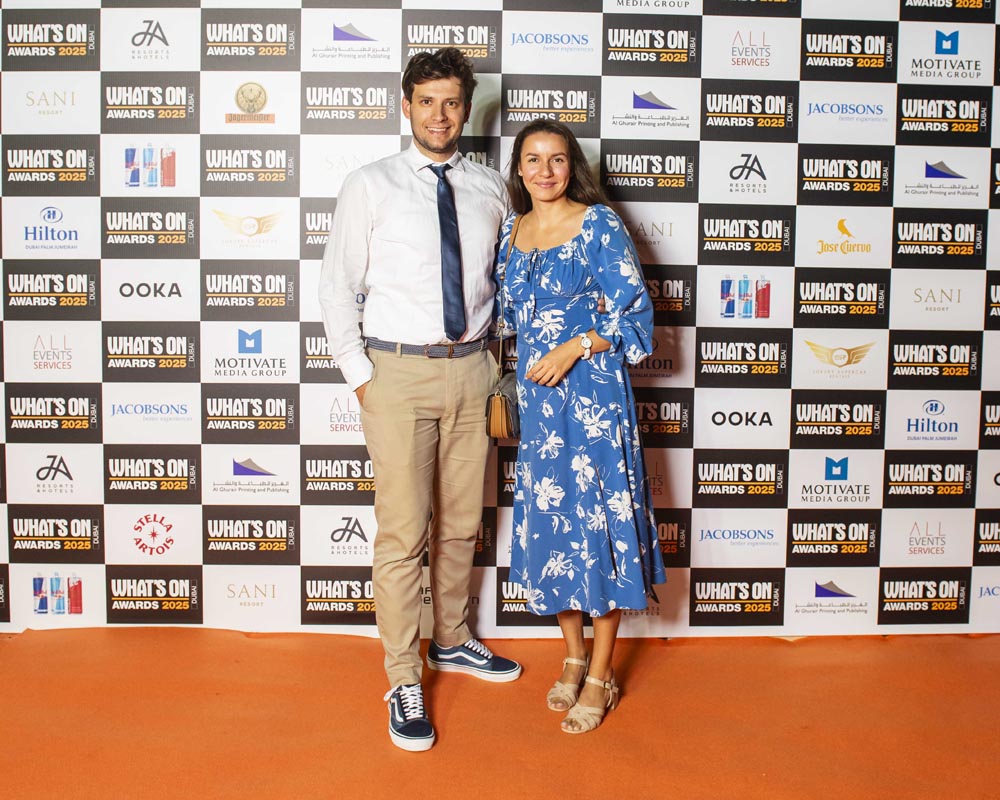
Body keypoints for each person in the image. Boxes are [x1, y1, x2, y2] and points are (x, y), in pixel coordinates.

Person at [318, 47, 521, 753]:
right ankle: (404, 675)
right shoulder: (369, 184)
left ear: (467, 108)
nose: (440, 115)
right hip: (397, 374)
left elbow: (507, 282)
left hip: (473, 371)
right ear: (406, 106)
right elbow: (336, 286)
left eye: (452, 102)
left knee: (461, 524)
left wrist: (502, 364)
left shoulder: (491, 187)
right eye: (427, 102)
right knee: (404, 534)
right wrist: (361, 376)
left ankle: (453, 639)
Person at [496, 120, 666, 734]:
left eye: (557, 159)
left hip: (593, 398)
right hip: (541, 408)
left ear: (573, 167)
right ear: (518, 169)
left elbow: (636, 315)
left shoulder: (599, 225)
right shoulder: (512, 232)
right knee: (554, 529)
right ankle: (571, 656)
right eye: (533, 159)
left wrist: (574, 346)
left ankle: (600, 672)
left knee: (598, 525)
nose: (545, 171)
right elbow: (508, 317)